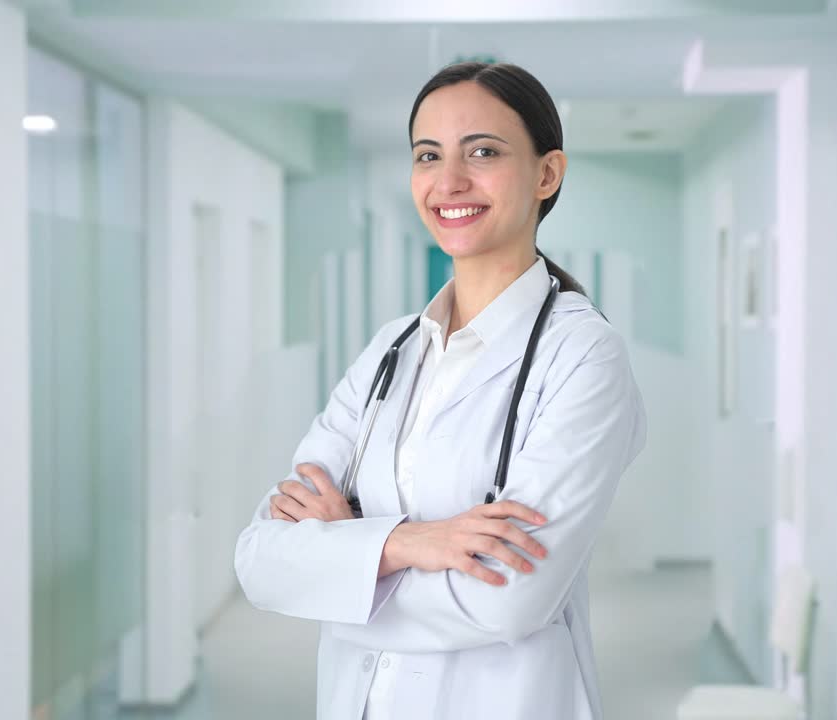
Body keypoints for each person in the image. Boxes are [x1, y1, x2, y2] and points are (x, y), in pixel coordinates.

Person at [234, 61, 647, 720]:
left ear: (547, 174)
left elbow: (507, 599)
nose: (449, 181)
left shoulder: (583, 356)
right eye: (429, 155)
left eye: (483, 152)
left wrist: (343, 566)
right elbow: (261, 560)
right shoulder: (391, 351)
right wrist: (410, 544)